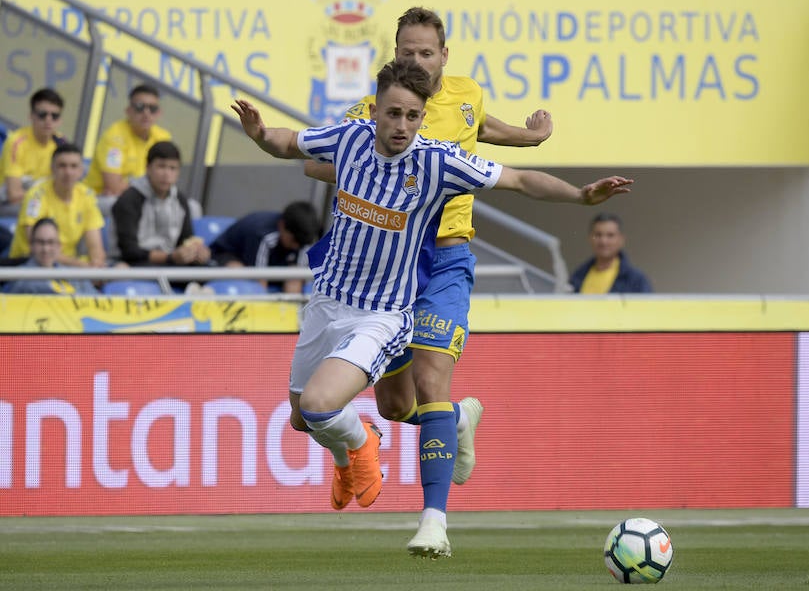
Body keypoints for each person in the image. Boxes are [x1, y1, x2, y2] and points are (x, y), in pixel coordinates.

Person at [231, 60, 633, 557]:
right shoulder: (349, 138)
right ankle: (355, 452)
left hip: (382, 314)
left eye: (414, 116)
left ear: (423, 117)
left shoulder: (438, 162)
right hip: (325, 303)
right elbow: (289, 143)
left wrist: (579, 195)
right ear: (375, 111)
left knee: (321, 405)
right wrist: (258, 134)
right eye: (394, 114)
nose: (403, 126)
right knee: (301, 419)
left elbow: (519, 180)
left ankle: (364, 446)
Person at [304, 7, 554, 555]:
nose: (415, 60)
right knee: (395, 405)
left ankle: (433, 524)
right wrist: (379, 170)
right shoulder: (376, 110)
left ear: (445, 55)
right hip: (387, 262)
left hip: (445, 255)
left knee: (432, 380)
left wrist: (528, 138)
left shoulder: (466, 93)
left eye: (425, 52)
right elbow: (319, 159)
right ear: (394, 54)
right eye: (406, 52)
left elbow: (482, 127)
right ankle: (459, 419)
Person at [110, 141, 209, 267]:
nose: (167, 174)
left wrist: (196, 252)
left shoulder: (180, 200)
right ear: (148, 168)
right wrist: (171, 257)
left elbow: (185, 240)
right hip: (132, 263)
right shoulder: (128, 199)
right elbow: (129, 251)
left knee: (206, 269)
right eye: (161, 166)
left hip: (168, 262)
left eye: (172, 168)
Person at [8, 143, 107, 268]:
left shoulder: (86, 196)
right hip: (31, 264)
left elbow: (95, 247)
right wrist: (81, 266)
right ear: (52, 169)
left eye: (73, 166)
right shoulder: (37, 196)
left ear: (81, 171)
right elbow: (38, 248)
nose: (68, 172)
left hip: (68, 267)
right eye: (62, 166)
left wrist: (96, 264)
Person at [84, 83, 172, 212]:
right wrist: (152, 184)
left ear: (159, 113)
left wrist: (130, 184)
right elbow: (113, 187)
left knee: (191, 207)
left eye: (152, 109)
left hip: (144, 197)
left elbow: (168, 180)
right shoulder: (114, 138)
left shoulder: (163, 137)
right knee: (124, 205)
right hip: (101, 198)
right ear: (128, 111)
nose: (146, 113)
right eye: (139, 107)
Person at [210, 201, 320, 292]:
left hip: (272, 264)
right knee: (238, 270)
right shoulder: (262, 234)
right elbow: (259, 280)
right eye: (293, 240)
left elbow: (296, 275)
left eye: (301, 243)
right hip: (230, 255)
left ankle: (292, 315)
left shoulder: (303, 240)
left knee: (294, 278)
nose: (296, 247)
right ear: (282, 226)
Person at [0, 88, 66, 217]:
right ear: (31, 116)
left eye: (54, 116)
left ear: (59, 120)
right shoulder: (16, 142)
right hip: (7, 202)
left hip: (37, 198)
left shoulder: (61, 142)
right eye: (42, 114)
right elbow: (13, 195)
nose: (48, 120)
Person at [3, 217, 98, 294]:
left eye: (51, 242)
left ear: (59, 246)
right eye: (40, 242)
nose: (46, 249)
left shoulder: (74, 276)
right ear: (31, 245)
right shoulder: (20, 278)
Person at [569, 212, 653, 293]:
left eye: (610, 235)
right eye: (598, 235)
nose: (603, 241)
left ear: (621, 239)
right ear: (590, 238)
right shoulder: (577, 276)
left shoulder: (636, 280)